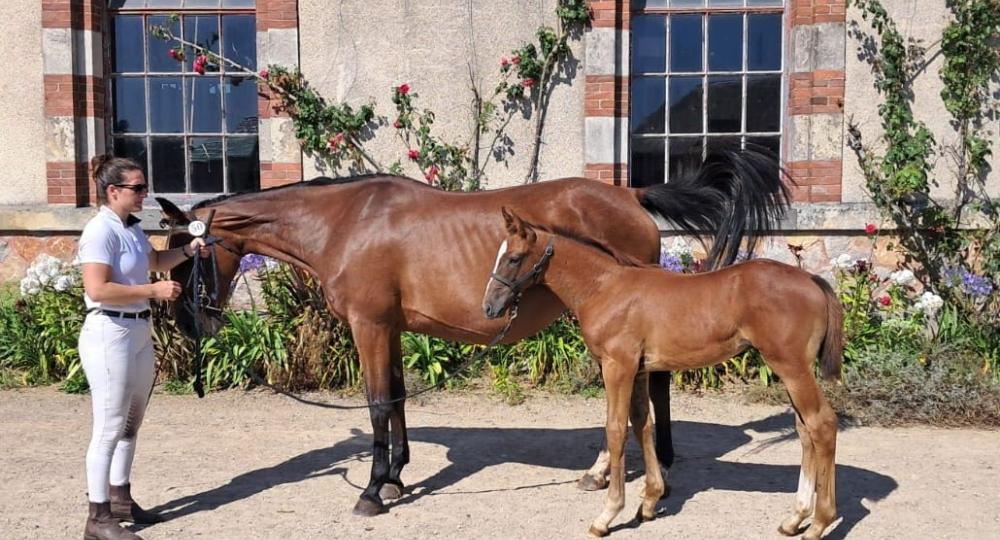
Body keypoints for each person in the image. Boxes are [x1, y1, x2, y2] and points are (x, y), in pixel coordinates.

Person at [77, 155, 207, 540]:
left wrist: (187, 251)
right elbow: (97, 288)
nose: (144, 195)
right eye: (137, 188)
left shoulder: (131, 229)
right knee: (109, 426)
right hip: (109, 333)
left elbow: (154, 261)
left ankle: (120, 497)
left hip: (136, 331)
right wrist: (152, 291)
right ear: (112, 191)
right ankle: (97, 518)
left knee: (131, 423)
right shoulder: (99, 232)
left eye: (144, 187)